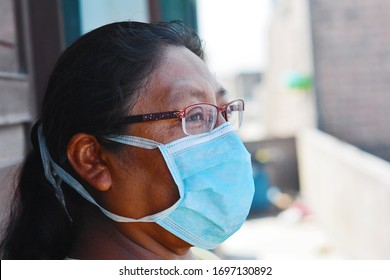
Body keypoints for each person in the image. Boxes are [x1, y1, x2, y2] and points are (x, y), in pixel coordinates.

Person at [0, 21, 255, 260]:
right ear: (93, 160)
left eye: (223, 111)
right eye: (196, 115)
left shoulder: (199, 258)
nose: (226, 137)